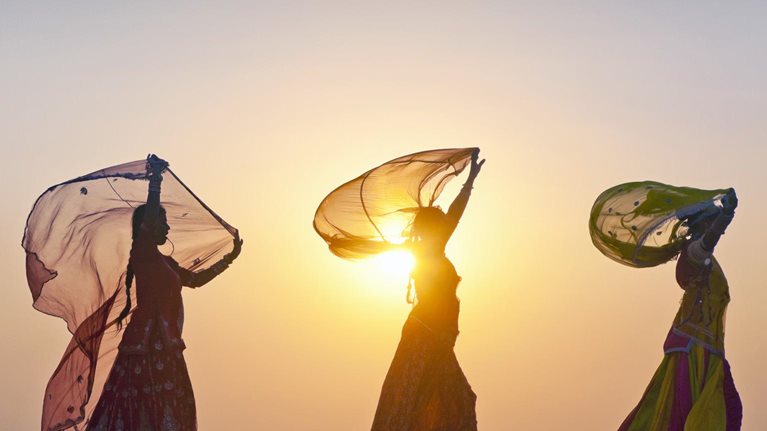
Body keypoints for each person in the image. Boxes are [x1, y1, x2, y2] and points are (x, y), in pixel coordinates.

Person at [86, 156, 242, 430]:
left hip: (167, 343)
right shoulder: (143, 252)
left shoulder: (165, 262)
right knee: (141, 406)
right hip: (145, 344)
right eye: (163, 222)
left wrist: (229, 259)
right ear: (150, 226)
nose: (168, 228)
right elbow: (150, 215)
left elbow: (195, 280)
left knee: (169, 404)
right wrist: (155, 180)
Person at [371, 150, 484, 431]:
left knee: (447, 399)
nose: (447, 221)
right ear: (433, 228)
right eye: (441, 220)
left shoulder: (432, 248)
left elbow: (455, 213)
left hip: (440, 333)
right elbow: (455, 214)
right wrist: (468, 182)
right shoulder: (427, 250)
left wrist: (470, 181)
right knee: (431, 398)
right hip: (426, 333)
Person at [618, 188, 742, 431]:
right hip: (692, 349)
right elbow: (706, 244)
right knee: (685, 416)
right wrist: (725, 217)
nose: (716, 225)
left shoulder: (704, 258)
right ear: (703, 224)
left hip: (707, 350)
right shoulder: (694, 254)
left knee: (726, 412)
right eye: (711, 220)